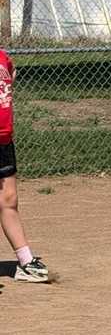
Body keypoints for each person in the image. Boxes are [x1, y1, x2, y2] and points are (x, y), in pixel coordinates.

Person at [0, 49, 50, 282]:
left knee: (9, 200)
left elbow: (11, 75)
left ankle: (26, 261)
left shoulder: (3, 57)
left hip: (3, 139)